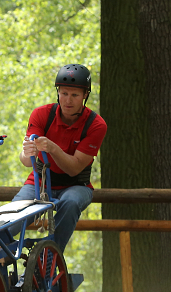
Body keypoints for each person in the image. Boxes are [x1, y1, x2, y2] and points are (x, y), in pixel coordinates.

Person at [15, 64, 107, 252]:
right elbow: (26, 161)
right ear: (58, 93)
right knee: (13, 213)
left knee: (71, 203)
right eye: (64, 93)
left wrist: (53, 148)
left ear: (84, 96)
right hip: (39, 182)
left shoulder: (96, 125)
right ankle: (0, 257)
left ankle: (50, 255)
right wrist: (26, 151)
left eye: (74, 95)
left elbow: (74, 169)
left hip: (76, 185)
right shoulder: (41, 114)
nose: (68, 100)